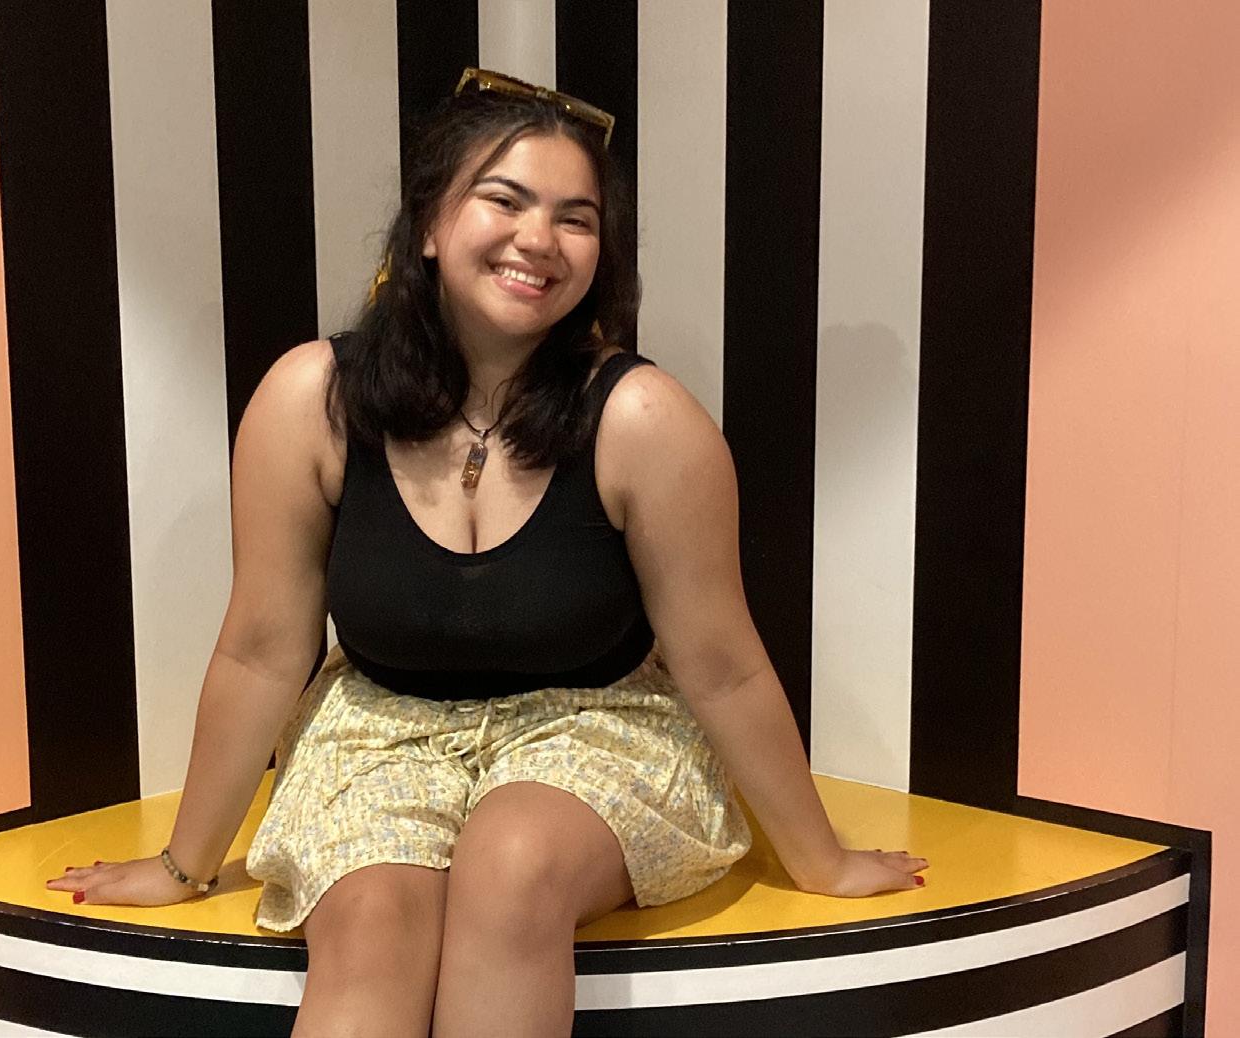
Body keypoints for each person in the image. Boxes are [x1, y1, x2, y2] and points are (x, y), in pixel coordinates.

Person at [47, 67, 929, 1037]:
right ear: (429, 223)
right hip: (377, 731)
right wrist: (183, 866)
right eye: (504, 200)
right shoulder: (312, 399)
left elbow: (720, 662)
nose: (538, 239)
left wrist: (820, 859)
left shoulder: (642, 417)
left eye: (575, 217)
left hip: (603, 725)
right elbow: (262, 649)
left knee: (511, 867)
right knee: (371, 923)